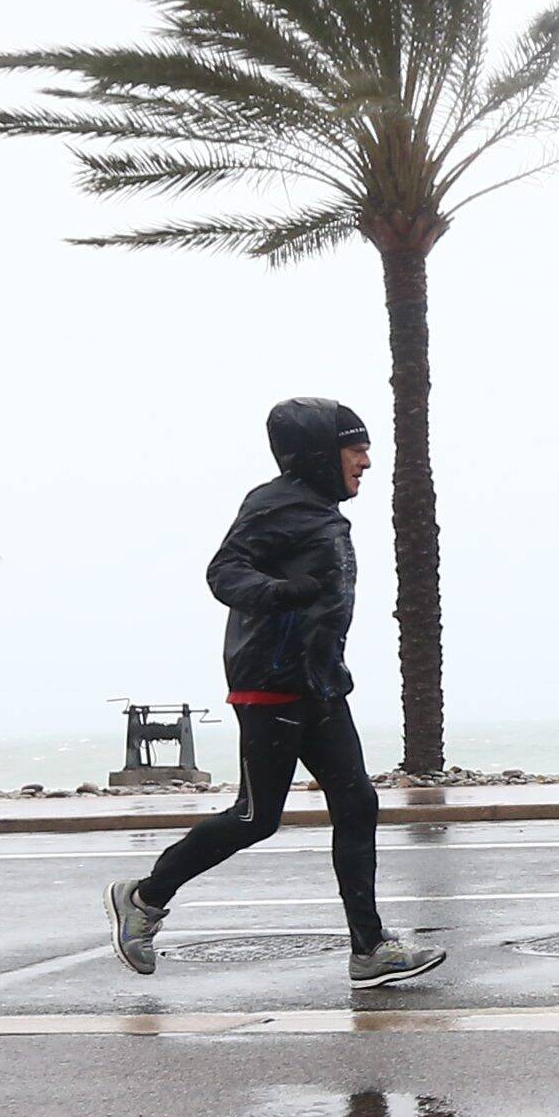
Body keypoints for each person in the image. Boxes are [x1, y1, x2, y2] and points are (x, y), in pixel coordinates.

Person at [105, 396, 445, 988]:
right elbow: (225, 573)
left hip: (318, 684)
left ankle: (369, 949)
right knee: (257, 817)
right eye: (355, 448)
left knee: (357, 803)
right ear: (319, 453)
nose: (366, 461)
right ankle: (144, 897)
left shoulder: (316, 508)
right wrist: (284, 593)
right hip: (272, 685)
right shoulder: (275, 505)